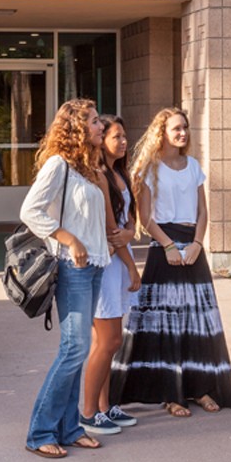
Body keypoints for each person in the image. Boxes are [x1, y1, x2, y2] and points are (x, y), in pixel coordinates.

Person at [109, 107, 231, 417]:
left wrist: (197, 244)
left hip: (192, 249)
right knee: (167, 325)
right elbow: (145, 217)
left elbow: (203, 212)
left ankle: (202, 389)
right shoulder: (149, 168)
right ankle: (172, 393)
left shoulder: (194, 166)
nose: (183, 133)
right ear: (162, 133)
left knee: (197, 322)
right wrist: (168, 246)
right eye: (176, 128)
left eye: (185, 128)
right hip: (162, 248)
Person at [20, 98, 111, 458]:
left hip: (94, 266)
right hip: (73, 267)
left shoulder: (86, 167)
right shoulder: (58, 165)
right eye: (93, 121)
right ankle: (40, 431)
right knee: (74, 349)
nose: (100, 126)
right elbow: (30, 210)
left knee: (80, 348)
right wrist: (68, 238)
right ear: (75, 128)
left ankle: (70, 428)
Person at [81, 115, 142, 434]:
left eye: (124, 135)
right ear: (101, 139)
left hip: (121, 257)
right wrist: (132, 266)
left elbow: (127, 222)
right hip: (107, 265)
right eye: (116, 136)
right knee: (108, 340)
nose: (123, 141)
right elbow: (109, 230)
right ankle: (88, 413)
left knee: (106, 342)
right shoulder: (98, 175)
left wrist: (131, 233)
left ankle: (104, 407)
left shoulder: (120, 173)